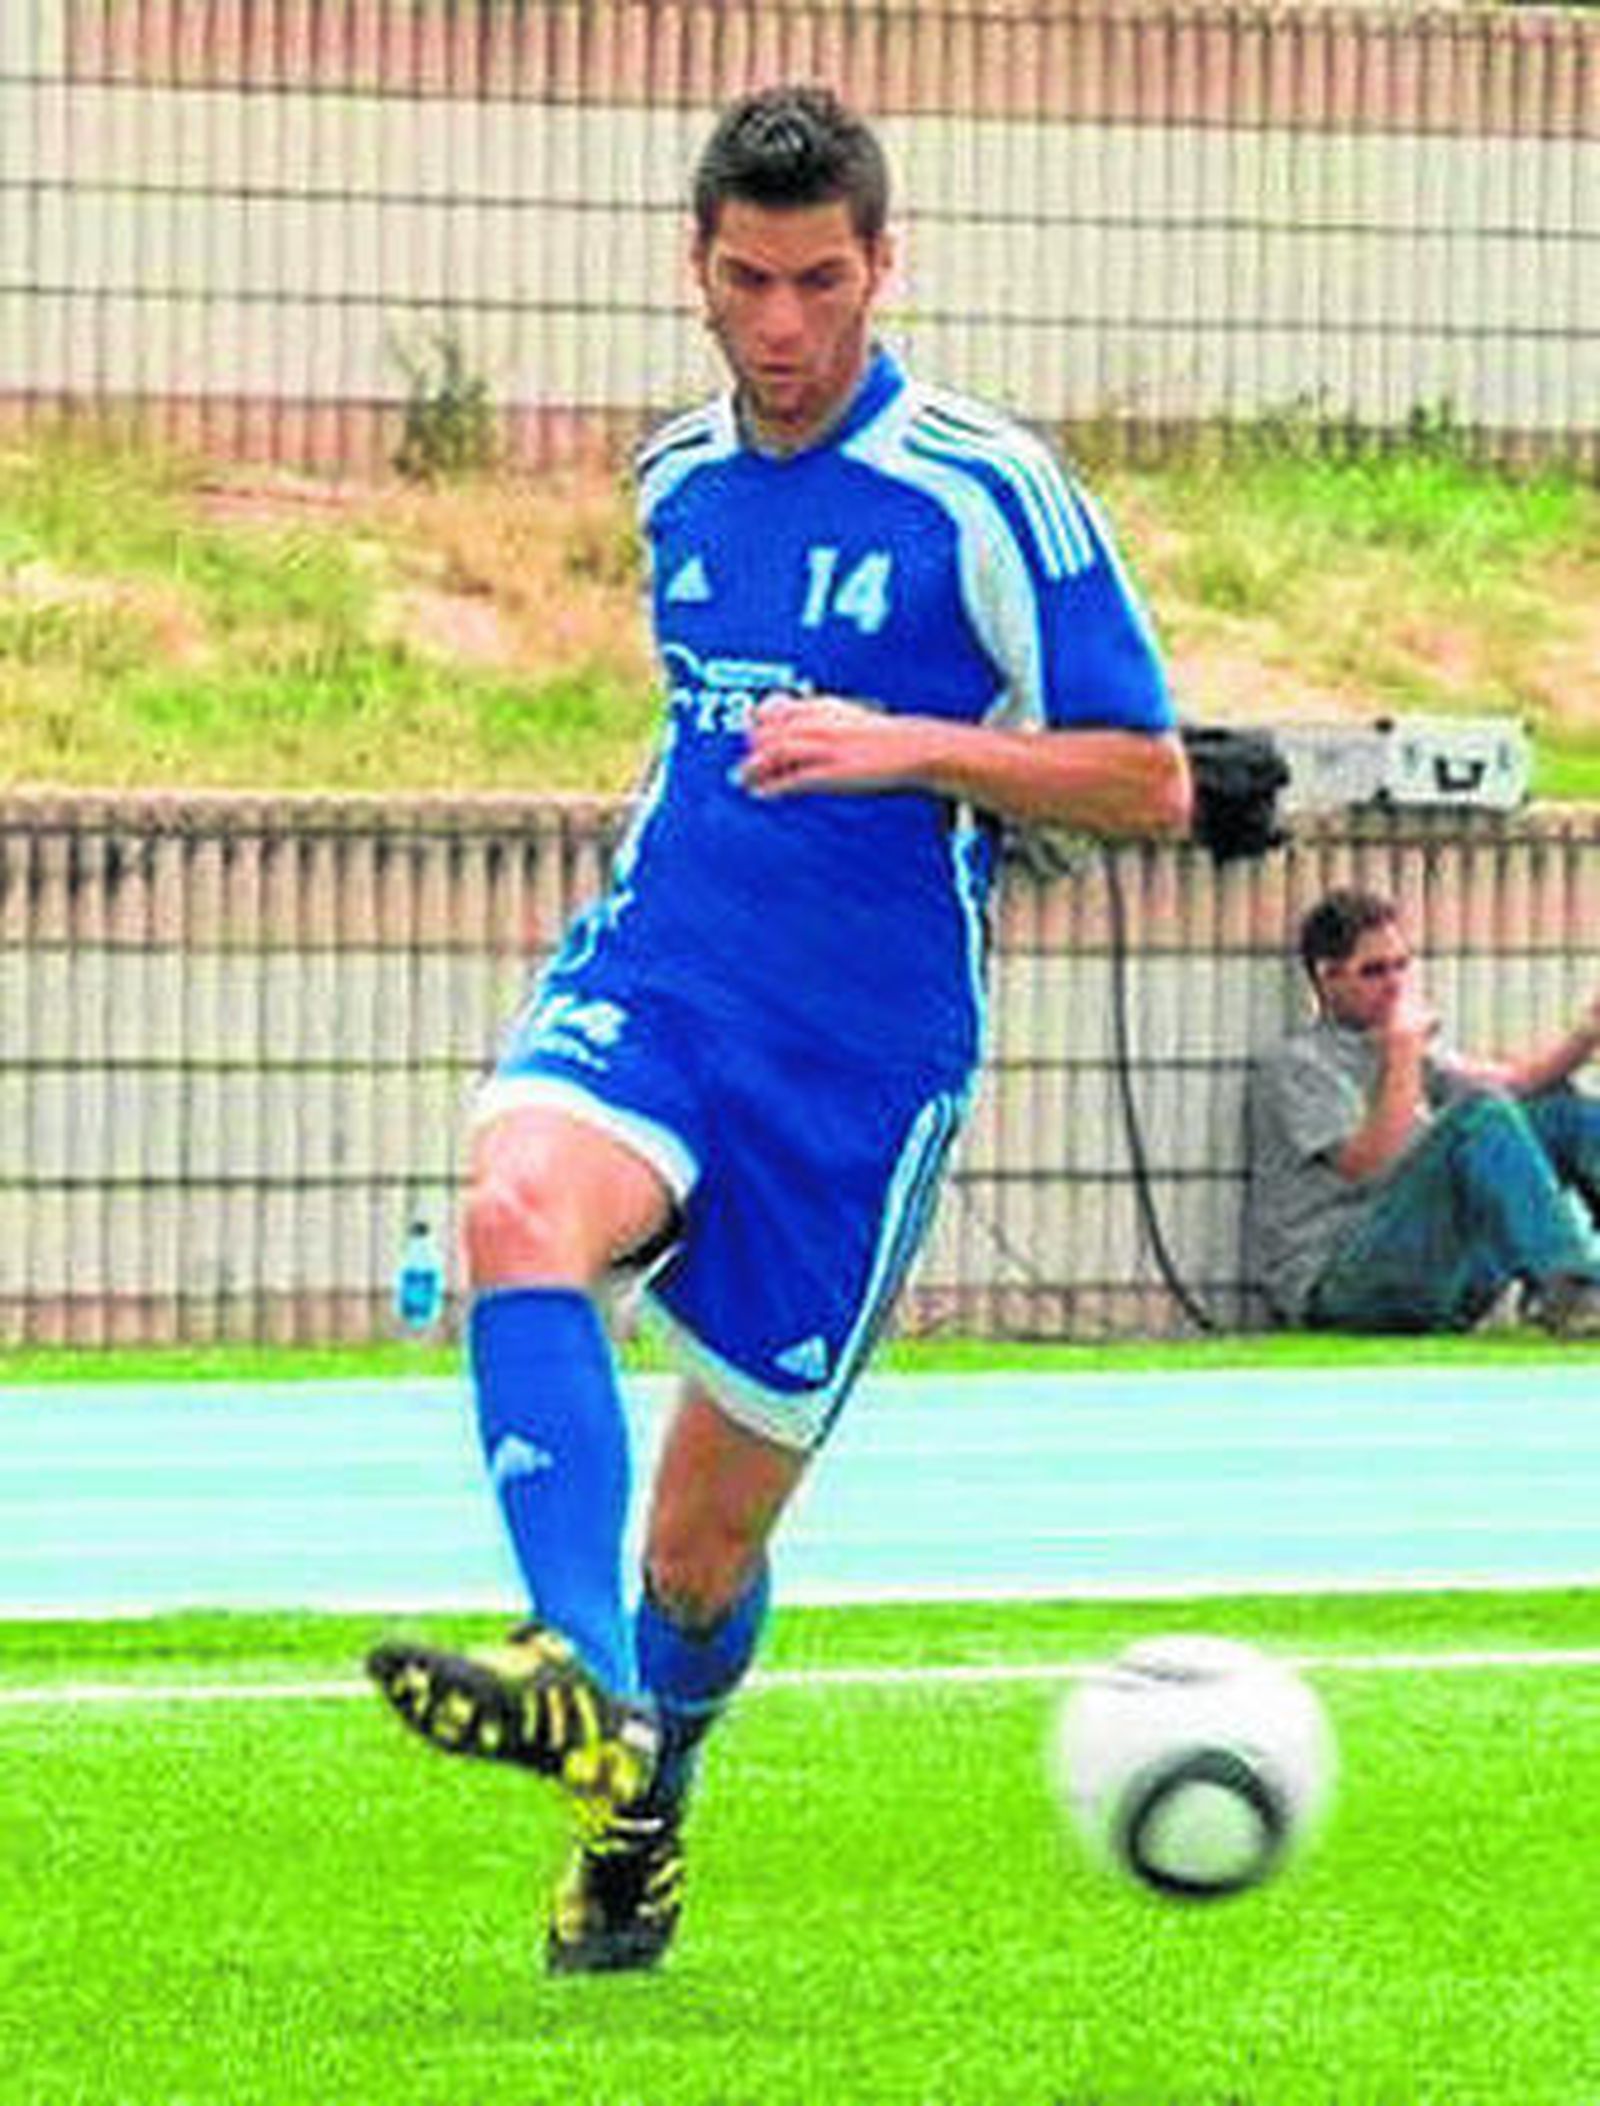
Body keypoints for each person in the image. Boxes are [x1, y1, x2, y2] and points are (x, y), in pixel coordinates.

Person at [366, 83, 1191, 1975]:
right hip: (658, 981)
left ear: (885, 267)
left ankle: (644, 1793)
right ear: (698, 273)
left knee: (701, 1561)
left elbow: (1150, 778)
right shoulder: (677, 478)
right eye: (749, 281)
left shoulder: (986, 488)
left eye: (823, 281)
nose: (785, 327)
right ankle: (568, 1676)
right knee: (512, 1213)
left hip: (859, 1070)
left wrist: (911, 746)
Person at [1246, 886, 1600, 1337]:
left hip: (1433, 1276)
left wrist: (1587, 1035)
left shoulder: (1408, 1049)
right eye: (1374, 972)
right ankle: (1573, 1290)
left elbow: (1516, 1085)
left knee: (1564, 1115)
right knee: (1478, 1115)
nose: (1394, 985)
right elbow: (1370, 1165)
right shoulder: (1298, 1065)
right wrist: (1404, 1051)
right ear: (1327, 978)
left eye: (1401, 966)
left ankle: (1574, 1283)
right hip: (1341, 1287)